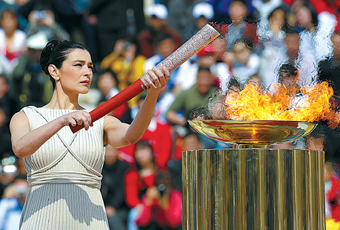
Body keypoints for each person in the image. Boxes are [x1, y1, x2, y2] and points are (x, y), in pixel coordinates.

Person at [9, 40, 170, 229]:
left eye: (90, 67)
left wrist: (152, 95)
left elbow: (130, 135)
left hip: (90, 219)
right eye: (78, 65)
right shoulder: (26, 116)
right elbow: (20, 148)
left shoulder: (99, 118)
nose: (87, 72)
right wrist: (62, 120)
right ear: (54, 71)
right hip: (41, 219)